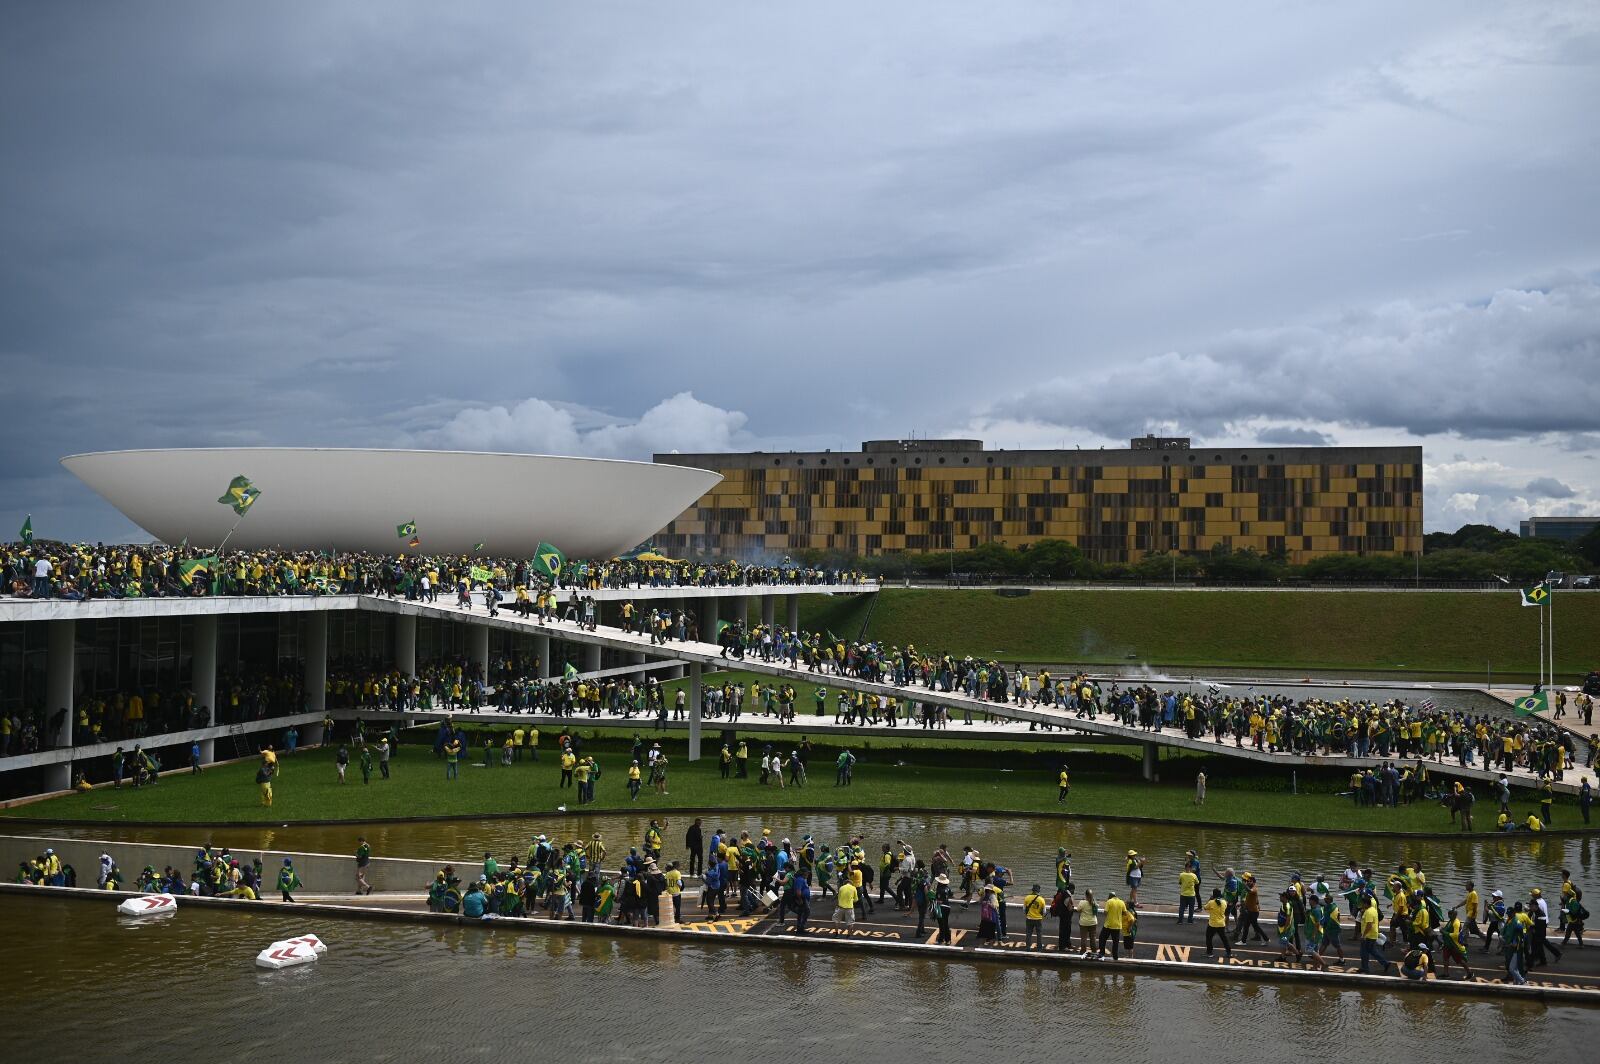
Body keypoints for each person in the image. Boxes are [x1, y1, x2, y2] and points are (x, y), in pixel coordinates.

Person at [1203, 888, 1232, 958]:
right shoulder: (1224, 902)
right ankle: (1229, 952)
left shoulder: (1211, 902)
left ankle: (1210, 952)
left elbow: (1205, 907)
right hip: (1221, 924)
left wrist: (1210, 899)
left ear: (1213, 895)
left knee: (1209, 938)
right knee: (1224, 939)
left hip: (1212, 924)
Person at [1099, 890, 1127, 959]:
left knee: (1102, 938)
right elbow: (1125, 913)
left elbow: (1105, 912)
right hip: (1117, 926)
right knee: (1115, 942)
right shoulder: (1121, 902)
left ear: (1110, 897)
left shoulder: (1109, 901)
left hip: (1108, 925)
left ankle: (1102, 953)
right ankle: (1115, 956)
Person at [1022, 883, 1047, 950]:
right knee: (1039, 934)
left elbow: (1024, 910)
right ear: (1039, 891)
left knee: (1029, 933)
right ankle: (1039, 948)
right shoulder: (1041, 900)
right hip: (1038, 919)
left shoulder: (1027, 898)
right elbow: (1044, 912)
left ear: (1032, 890)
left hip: (1029, 918)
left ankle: (1028, 948)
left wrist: (1027, 915)